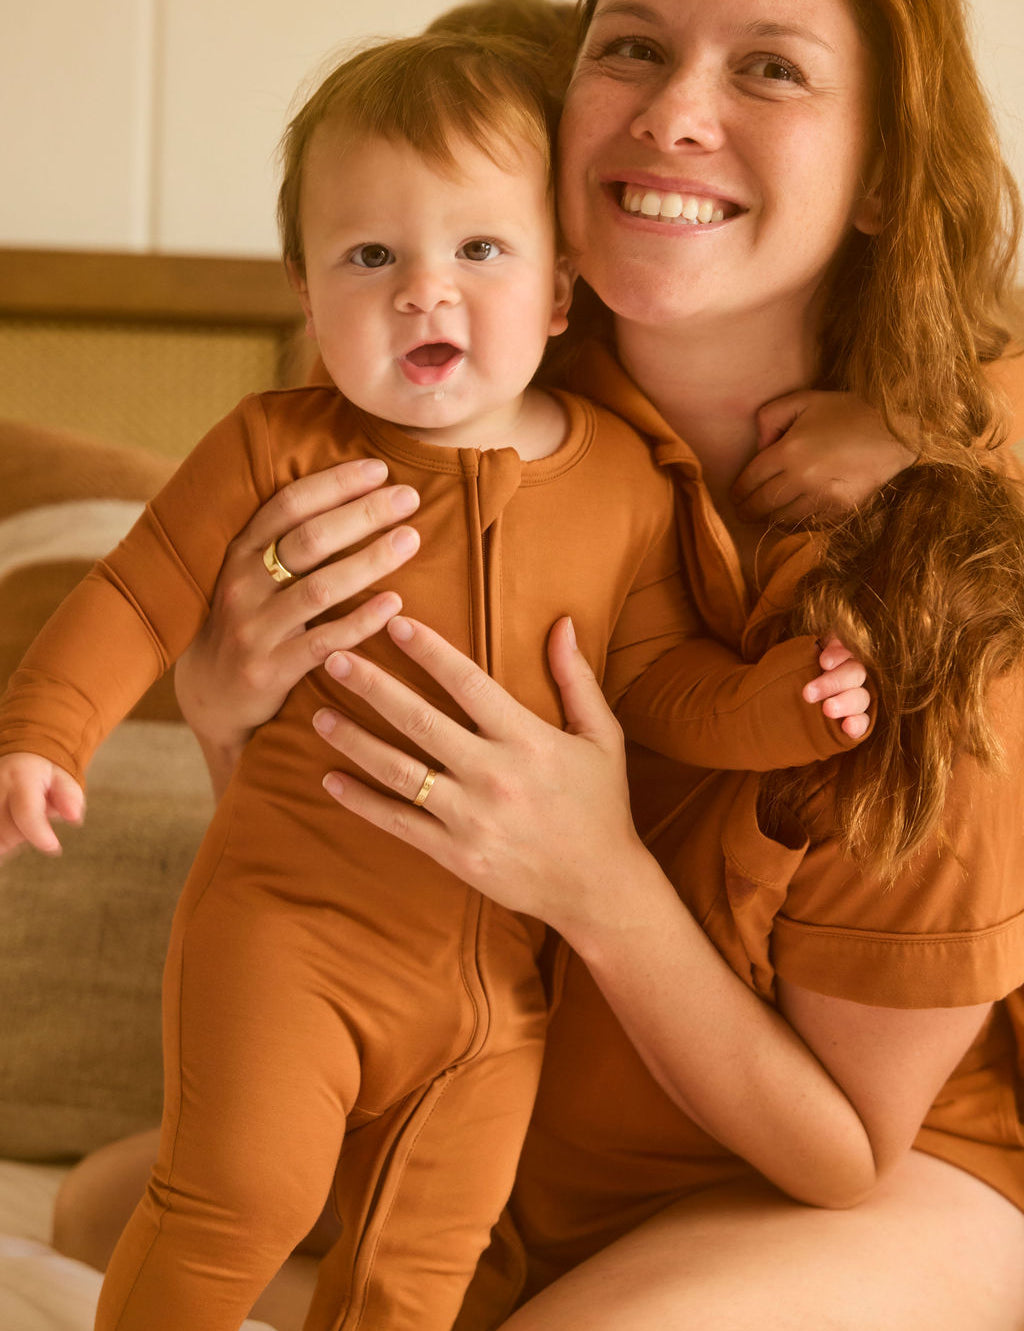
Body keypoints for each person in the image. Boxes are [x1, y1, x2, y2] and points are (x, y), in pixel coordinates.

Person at [0, 25, 876, 1331]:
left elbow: (661, 688)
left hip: (495, 994)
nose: (425, 292)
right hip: (290, 931)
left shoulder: (624, 484)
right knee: (233, 1198)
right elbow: (131, 594)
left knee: (425, 1268)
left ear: (564, 288)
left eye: (479, 250)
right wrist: (44, 732)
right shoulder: (273, 448)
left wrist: (786, 705)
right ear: (304, 289)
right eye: (372, 256)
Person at [292, 0, 1024, 1327]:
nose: (674, 115)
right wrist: (231, 701)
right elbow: (320, 837)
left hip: (870, 1175)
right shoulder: (463, 390)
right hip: (524, 1149)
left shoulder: (938, 581)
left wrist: (594, 880)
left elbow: (848, 1146)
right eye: (627, 46)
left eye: (771, 68)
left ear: (880, 176)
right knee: (121, 1207)